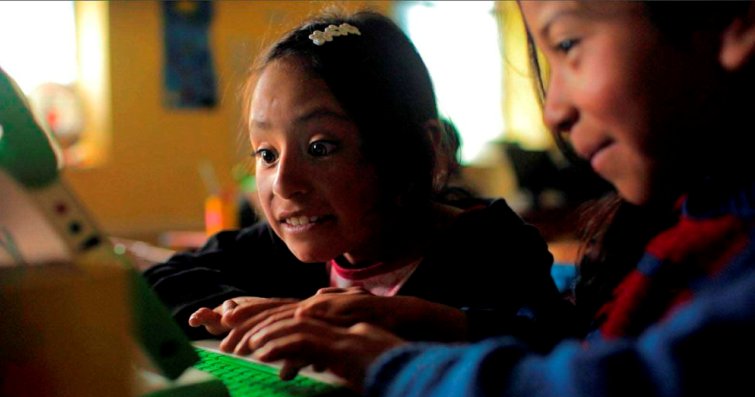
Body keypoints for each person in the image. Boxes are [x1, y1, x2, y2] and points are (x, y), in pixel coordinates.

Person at [246, 1, 755, 397]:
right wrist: (440, 324)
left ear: (729, 18)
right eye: (265, 154)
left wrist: (389, 366)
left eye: (568, 43)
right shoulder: (683, 227)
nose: (553, 110)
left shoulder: (490, 247)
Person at [143, 9, 570, 353]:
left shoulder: (493, 246)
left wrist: (418, 319)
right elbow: (162, 280)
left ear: (416, 149)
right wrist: (248, 312)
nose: (285, 184)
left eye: (321, 147)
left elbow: (552, 344)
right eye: (266, 154)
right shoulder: (284, 246)